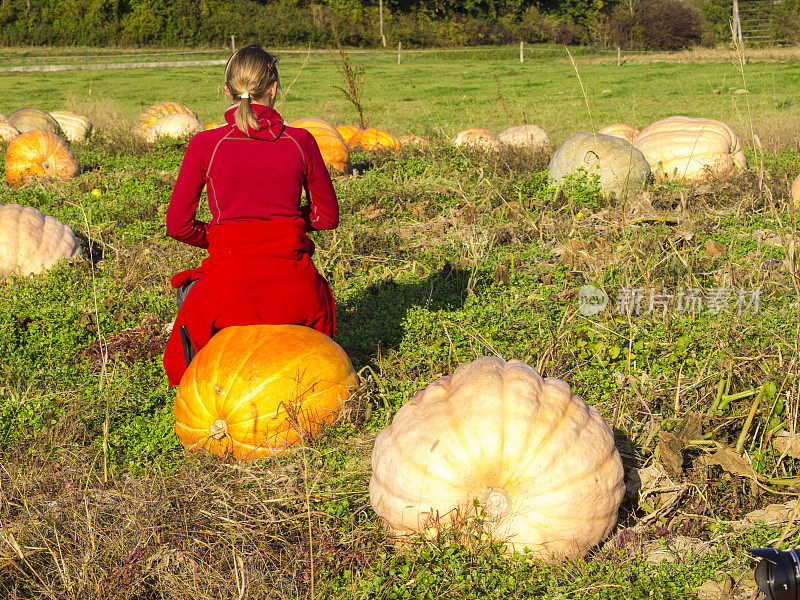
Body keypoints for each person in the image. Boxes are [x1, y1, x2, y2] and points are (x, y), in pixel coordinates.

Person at [162, 44, 339, 386]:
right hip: (294, 293)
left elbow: (178, 225)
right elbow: (327, 217)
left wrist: (218, 236)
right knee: (319, 312)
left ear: (226, 91)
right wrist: (293, 222)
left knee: (191, 316)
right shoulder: (302, 142)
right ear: (274, 89)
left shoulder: (205, 145)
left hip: (225, 293)